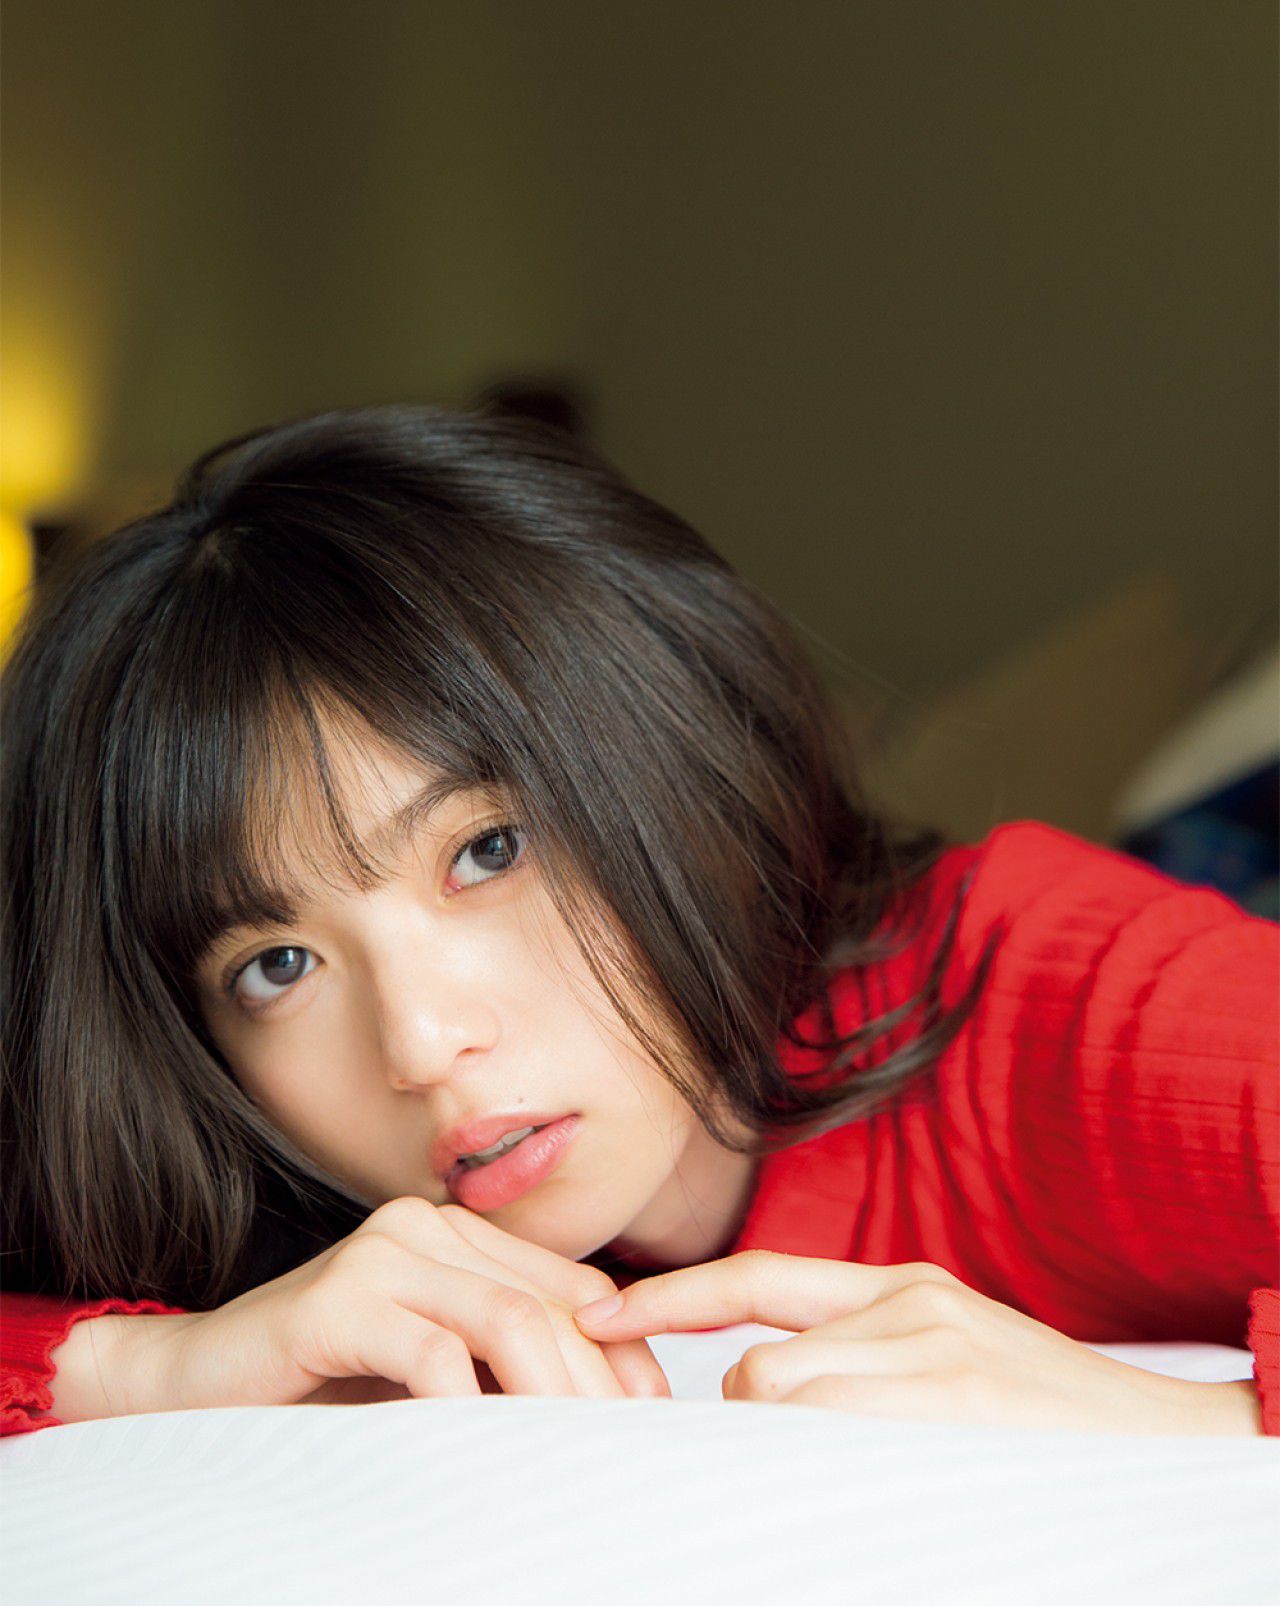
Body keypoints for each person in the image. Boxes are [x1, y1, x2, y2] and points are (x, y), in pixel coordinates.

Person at [1, 404, 1275, 1437]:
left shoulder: (1051, 994)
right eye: (277, 966)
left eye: (484, 851)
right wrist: (161, 1363)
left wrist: (1187, 1420)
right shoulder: (283, 1218)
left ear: (673, 767)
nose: (422, 1046)